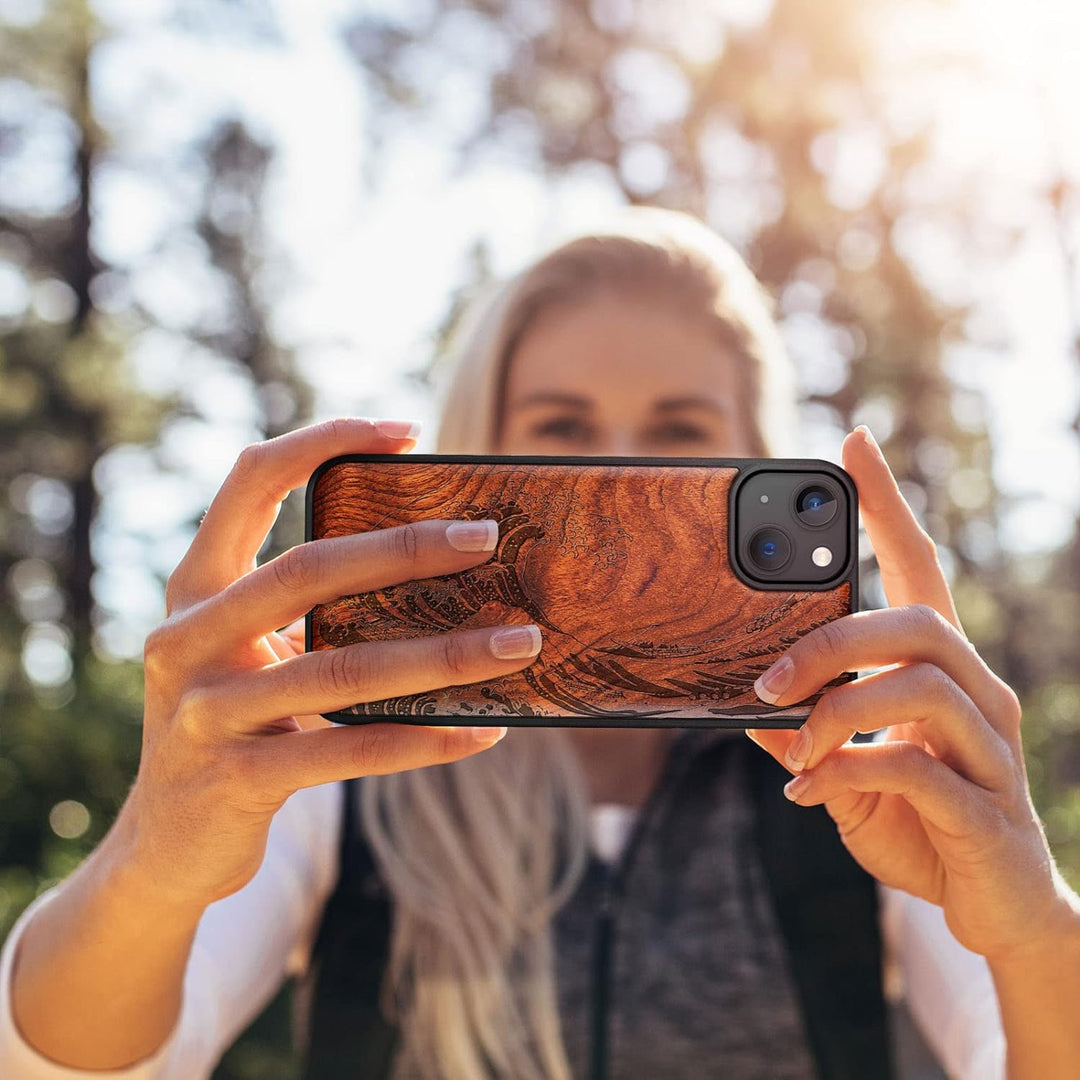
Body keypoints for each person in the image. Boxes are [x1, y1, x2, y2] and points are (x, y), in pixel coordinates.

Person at [1, 208, 1078, 1080]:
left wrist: (1034, 932)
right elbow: (74, 1065)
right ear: (483, 453)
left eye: (679, 437)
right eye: (561, 431)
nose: (615, 480)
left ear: (754, 459)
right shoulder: (343, 765)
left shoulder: (859, 774)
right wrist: (155, 858)